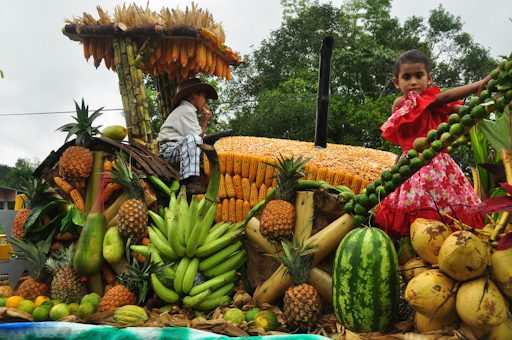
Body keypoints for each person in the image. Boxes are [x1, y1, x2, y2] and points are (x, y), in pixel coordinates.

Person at [374, 49, 492, 239]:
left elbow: (452, 104)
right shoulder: (402, 103)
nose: (413, 81)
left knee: (445, 213)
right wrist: (480, 84)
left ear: (429, 78)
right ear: (397, 82)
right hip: (411, 165)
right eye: (407, 77)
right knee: (413, 213)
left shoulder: (431, 102)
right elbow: (442, 99)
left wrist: (484, 101)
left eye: (418, 75)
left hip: (439, 166)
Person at [157, 78, 217, 187]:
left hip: (177, 148)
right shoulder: (186, 109)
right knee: (194, 140)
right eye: (204, 97)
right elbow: (198, 137)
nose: (205, 102)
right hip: (169, 150)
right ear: (194, 95)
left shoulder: (187, 110)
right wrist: (205, 121)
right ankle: (189, 180)